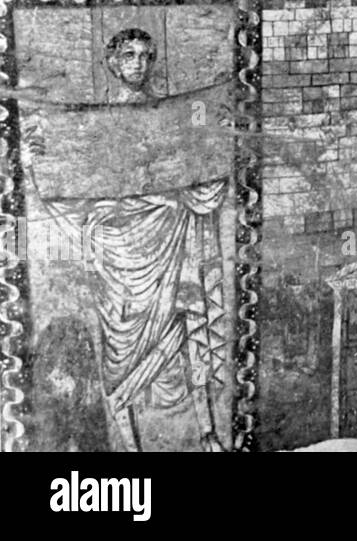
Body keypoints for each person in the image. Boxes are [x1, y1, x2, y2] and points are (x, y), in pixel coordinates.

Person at [31, 28, 230, 451]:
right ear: (112, 63)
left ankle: (207, 434)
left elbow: (201, 183)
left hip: (171, 244)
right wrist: (36, 159)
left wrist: (220, 141)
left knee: (184, 341)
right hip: (118, 259)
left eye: (145, 55)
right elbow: (71, 187)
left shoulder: (174, 118)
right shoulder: (95, 125)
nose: (137, 63)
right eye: (128, 55)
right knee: (121, 363)